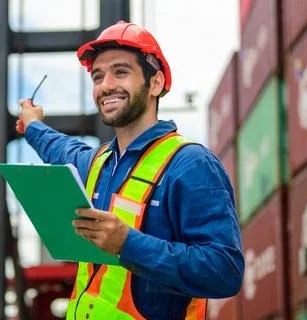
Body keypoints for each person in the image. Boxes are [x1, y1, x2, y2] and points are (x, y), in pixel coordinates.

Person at [16, 21, 244, 320]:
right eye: (98, 76)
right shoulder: (97, 164)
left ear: (156, 83)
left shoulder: (190, 165)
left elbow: (225, 271)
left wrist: (127, 243)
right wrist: (33, 125)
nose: (106, 85)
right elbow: (59, 149)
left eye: (120, 72)